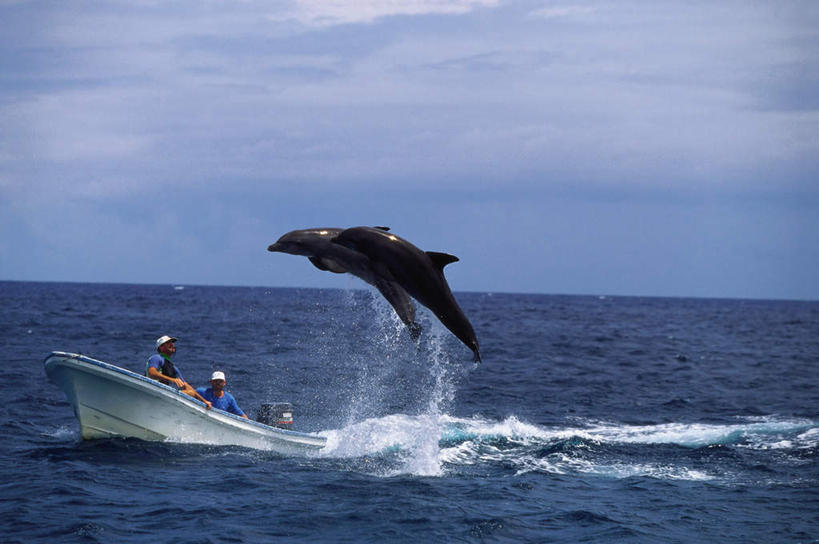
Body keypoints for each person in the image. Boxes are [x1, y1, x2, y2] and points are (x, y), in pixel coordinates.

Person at [147, 335, 211, 409]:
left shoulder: (174, 368)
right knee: (190, 393)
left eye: (172, 342)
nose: (172, 344)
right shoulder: (156, 358)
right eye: (168, 342)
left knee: (190, 392)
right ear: (161, 347)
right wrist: (172, 380)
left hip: (164, 395)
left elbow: (188, 387)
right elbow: (151, 373)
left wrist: (204, 401)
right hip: (152, 390)